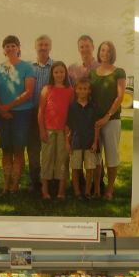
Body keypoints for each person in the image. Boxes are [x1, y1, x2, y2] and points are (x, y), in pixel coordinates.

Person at [0, 35, 35, 195]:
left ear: (18, 48)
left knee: (18, 150)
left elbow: (29, 92)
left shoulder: (27, 67)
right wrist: (1, 109)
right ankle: (6, 186)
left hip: (22, 114)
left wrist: (7, 107)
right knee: (6, 150)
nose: (10, 48)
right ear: (4, 49)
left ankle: (15, 186)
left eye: (13, 45)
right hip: (2, 115)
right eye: (7, 46)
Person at [90, 41, 126, 201]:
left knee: (111, 156)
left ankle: (109, 190)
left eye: (108, 51)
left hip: (112, 121)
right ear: (99, 52)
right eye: (103, 50)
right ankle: (97, 189)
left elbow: (120, 97)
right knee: (96, 157)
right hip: (95, 122)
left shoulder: (119, 72)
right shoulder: (92, 73)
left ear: (112, 54)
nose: (105, 53)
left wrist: (107, 116)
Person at [38, 61, 74, 200]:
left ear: (65, 74)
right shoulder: (47, 89)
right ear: (52, 74)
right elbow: (40, 111)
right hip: (48, 130)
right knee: (47, 159)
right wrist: (41, 130)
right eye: (56, 72)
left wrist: (68, 133)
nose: (59, 74)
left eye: (62, 72)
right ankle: (45, 189)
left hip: (64, 132)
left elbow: (71, 113)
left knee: (62, 160)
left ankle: (61, 190)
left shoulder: (70, 91)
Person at [27, 35, 54, 193]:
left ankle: (49, 182)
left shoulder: (56, 67)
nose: (43, 47)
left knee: (49, 150)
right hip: (31, 113)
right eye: (40, 44)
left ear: (50, 47)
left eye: (46, 44)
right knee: (33, 149)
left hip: (50, 115)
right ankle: (34, 182)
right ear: (35, 46)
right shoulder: (28, 67)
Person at [66, 80, 99, 199]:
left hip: (90, 143)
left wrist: (95, 142)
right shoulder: (72, 107)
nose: (82, 91)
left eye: (85, 89)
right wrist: (67, 143)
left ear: (89, 91)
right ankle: (77, 192)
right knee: (75, 168)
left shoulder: (93, 107)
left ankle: (87, 192)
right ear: (76, 90)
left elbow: (96, 126)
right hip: (76, 142)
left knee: (90, 169)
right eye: (80, 88)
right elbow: (68, 127)